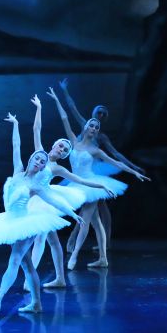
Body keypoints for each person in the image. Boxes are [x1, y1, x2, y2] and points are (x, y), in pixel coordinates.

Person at [0, 112, 85, 317]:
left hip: (26, 223)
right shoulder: (17, 171)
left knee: (15, 260)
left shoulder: (36, 186)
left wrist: (72, 214)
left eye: (42, 162)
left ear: (43, 167)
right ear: (31, 158)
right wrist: (16, 124)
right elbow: (16, 145)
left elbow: (54, 200)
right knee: (26, 264)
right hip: (9, 221)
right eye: (37, 158)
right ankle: (36, 304)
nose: (39, 162)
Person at [46, 88, 149, 269]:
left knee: (85, 220)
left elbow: (116, 162)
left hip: (92, 184)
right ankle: (103, 258)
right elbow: (65, 118)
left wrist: (134, 172)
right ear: (86, 126)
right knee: (96, 222)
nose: (94, 128)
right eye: (91, 125)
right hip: (76, 183)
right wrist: (56, 99)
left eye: (96, 127)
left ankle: (75, 255)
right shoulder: (74, 142)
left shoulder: (95, 150)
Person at [24, 95, 114, 289]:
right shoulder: (40, 153)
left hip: (44, 203)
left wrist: (101, 186)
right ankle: (57, 278)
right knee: (44, 240)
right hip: (28, 200)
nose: (62, 150)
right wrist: (39, 107)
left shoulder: (57, 168)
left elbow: (80, 180)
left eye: (65, 150)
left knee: (41, 238)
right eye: (61, 146)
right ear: (54, 145)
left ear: (65, 155)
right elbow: (36, 129)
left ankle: (30, 281)